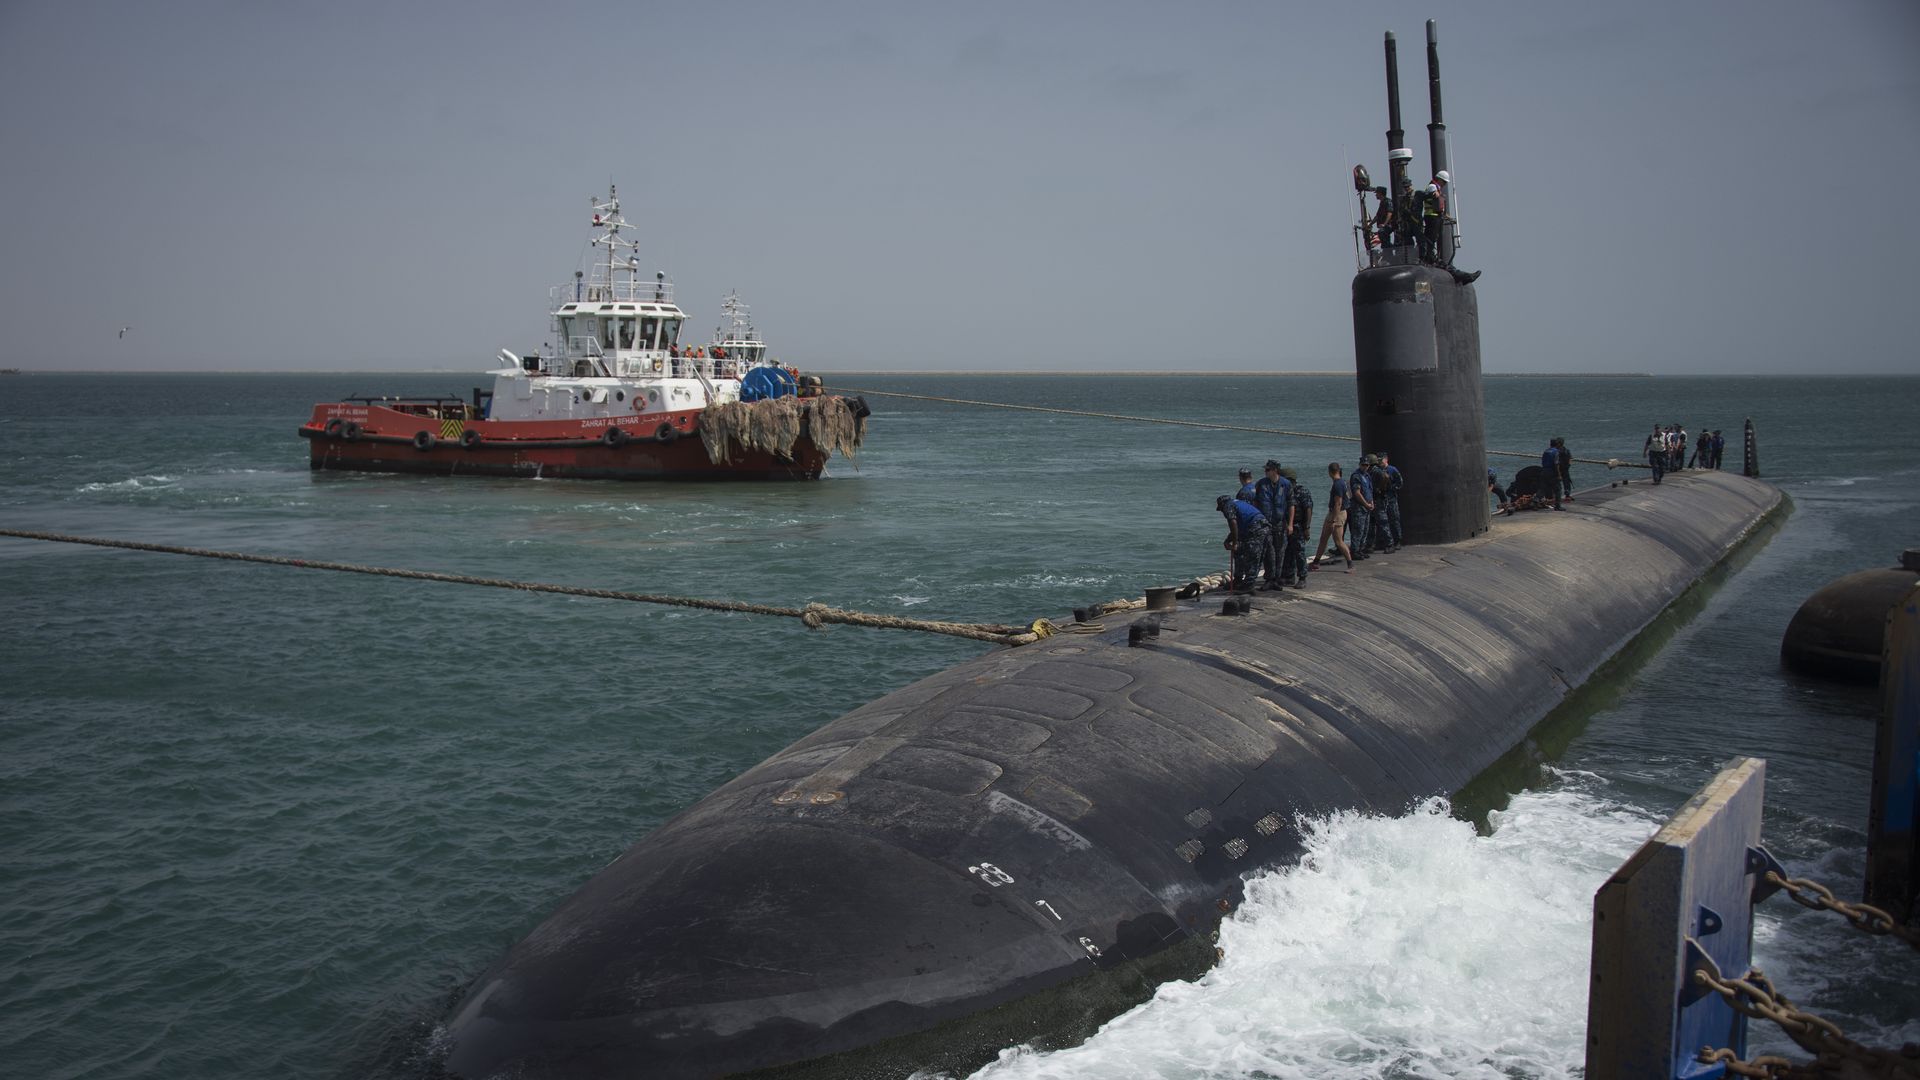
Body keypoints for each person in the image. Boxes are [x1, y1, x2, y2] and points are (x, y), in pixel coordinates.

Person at [1218, 494, 1269, 594]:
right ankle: (1238, 579)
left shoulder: (1228, 506)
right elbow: (1238, 527)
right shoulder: (1238, 503)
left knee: (1252, 556)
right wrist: (1229, 540)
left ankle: (1248, 585)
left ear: (1222, 505)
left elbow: (1233, 524)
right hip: (1259, 526)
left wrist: (1235, 542)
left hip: (1256, 528)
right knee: (1240, 552)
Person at [1253, 461, 1293, 589]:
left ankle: (1277, 578)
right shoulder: (1261, 484)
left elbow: (1291, 505)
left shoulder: (1285, 485)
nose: (1266, 472)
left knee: (1280, 552)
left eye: (1268, 470)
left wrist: (1290, 524)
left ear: (1275, 470)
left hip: (1280, 524)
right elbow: (1255, 503)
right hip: (1266, 524)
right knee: (1268, 552)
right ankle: (1269, 578)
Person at [1309, 462, 1354, 574]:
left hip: (1337, 514)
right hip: (1333, 513)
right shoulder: (1342, 482)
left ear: (1330, 472)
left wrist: (1334, 519)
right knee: (1323, 538)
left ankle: (1350, 563)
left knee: (1338, 541)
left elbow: (1338, 503)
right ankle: (1316, 562)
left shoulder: (1338, 484)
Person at [1283, 466, 1312, 588]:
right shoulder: (1284, 492)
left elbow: (1308, 509)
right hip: (1286, 525)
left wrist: (1307, 527)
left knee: (1299, 552)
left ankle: (1302, 576)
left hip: (1298, 525)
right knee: (1287, 551)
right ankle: (1289, 576)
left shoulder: (1301, 491)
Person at [1347, 456, 1375, 558]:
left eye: (1367, 465)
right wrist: (1366, 504)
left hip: (1367, 507)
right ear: (1360, 464)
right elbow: (1357, 493)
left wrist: (1371, 503)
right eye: (1363, 465)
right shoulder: (1356, 476)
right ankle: (1354, 551)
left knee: (1365, 530)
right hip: (1359, 507)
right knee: (1358, 530)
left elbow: (1369, 490)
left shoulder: (1367, 476)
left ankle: (1360, 549)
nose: (1365, 467)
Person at [1419, 171, 1448, 264]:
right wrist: (1435, 193)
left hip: (1436, 216)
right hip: (1432, 216)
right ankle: (1428, 257)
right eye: (1444, 181)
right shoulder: (1433, 187)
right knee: (1431, 237)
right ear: (1439, 179)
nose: (1444, 184)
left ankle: (1430, 256)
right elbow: (1433, 194)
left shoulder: (1437, 188)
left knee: (1434, 237)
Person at [1379, 452, 1404, 547]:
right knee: (1383, 521)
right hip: (1382, 499)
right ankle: (1385, 541)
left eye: (1381, 460)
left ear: (1386, 459)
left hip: (1391, 499)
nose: (1380, 461)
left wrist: (1391, 488)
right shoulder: (1378, 471)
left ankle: (1398, 540)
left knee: (1394, 520)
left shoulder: (1392, 470)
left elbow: (1400, 483)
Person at [1539, 442, 1565, 510]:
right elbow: (1556, 464)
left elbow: (1542, 461)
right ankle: (1558, 506)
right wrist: (1559, 475)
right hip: (1551, 472)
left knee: (1543, 488)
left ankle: (1535, 500)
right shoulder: (1556, 452)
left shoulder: (1546, 451)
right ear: (1557, 445)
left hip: (1544, 470)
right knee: (1558, 489)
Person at [1552, 437, 1574, 503]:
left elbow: (1555, 461)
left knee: (1557, 482)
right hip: (1565, 468)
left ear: (1559, 443)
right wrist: (1568, 465)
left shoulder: (1555, 451)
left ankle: (1556, 496)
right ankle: (1567, 495)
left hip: (1559, 469)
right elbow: (1570, 458)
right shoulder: (1566, 450)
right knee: (1566, 482)